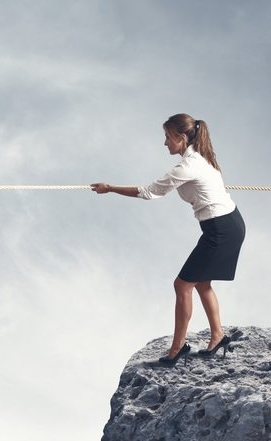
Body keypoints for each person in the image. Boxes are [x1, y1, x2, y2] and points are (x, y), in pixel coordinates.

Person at [91, 113, 246, 366]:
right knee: (201, 282)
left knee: (182, 285)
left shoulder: (189, 165)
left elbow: (149, 192)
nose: (165, 143)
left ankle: (177, 348)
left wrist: (109, 188)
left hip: (221, 229)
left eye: (167, 137)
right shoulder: (199, 158)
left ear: (181, 137)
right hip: (226, 225)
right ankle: (217, 336)